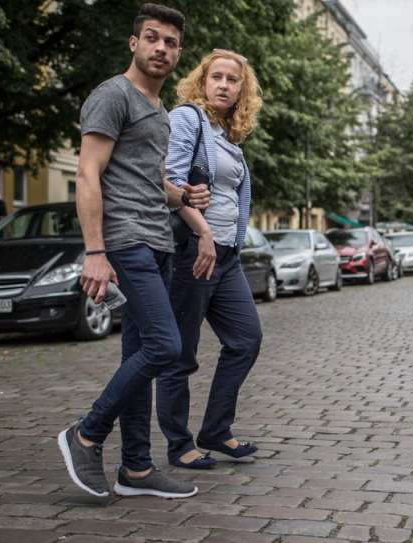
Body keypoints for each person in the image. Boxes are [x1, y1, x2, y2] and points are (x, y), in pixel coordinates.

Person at [57, 3, 210, 499]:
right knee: (164, 347)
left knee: (141, 352)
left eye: (169, 42)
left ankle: (137, 468)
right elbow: (87, 173)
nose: (160, 48)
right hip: (125, 242)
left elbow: (152, 181)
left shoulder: (160, 112)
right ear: (134, 43)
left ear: (178, 53)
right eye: (152, 37)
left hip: (159, 243)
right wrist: (94, 251)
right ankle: (85, 434)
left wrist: (185, 197)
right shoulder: (114, 95)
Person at [156, 49, 263, 469]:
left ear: (242, 89)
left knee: (246, 339)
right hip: (193, 253)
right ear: (202, 81)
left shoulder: (229, 134)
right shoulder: (188, 119)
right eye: (215, 76)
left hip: (226, 256)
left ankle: (216, 430)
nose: (223, 84)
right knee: (179, 354)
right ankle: (178, 444)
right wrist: (201, 232)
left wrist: (227, 240)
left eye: (231, 80)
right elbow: (171, 179)